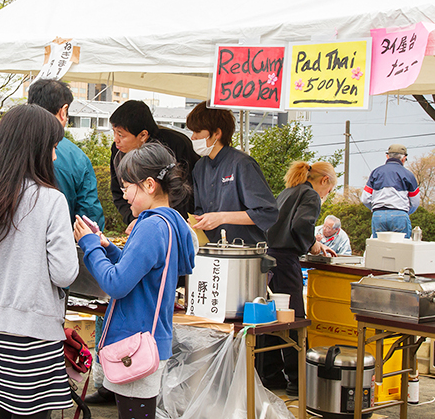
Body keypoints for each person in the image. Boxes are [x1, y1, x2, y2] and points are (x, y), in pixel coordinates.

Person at [0, 104, 79, 419]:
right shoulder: (51, 200)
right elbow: (65, 274)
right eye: (51, 148)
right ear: (34, 149)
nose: (53, 157)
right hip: (35, 335)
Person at [74, 142, 196, 419]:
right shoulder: (171, 221)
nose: (125, 194)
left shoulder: (151, 226)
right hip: (152, 338)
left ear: (150, 185)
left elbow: (116, 283)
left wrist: (90, 246)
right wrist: (107, 247)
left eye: (128, 186)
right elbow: (141, 268)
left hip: (136, 342)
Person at [0, 79, 105, 230]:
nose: (54, 156)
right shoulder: (77, 158)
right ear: (63, 111)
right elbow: (90, 221)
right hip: (53, 247)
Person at [259, 161, 337, 397]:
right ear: (324, 180)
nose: (327, 195)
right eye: (330, 190)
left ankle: (270, 374)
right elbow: (302, 225)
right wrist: (313, 245)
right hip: (285, 261)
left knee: (269, 321)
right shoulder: (310, 195)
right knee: (293, 321)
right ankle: (298, 380)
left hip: (266, 259)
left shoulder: (287, 192)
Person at [186, 102, 278, 244]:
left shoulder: (242, 164)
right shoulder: (199, 167)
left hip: (244, 253)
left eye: (197, 131)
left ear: (217, 133)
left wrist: (221, 218)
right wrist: (196, 221)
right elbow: (200, 210)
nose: (193, 137)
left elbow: (268, 213)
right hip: (211, 250)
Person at [109, 100, 199, 234]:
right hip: (140, 222)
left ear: (143, 135)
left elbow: (188, 191)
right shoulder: (118, 151)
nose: (116, 139)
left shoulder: (176, 145)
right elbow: (118, 192)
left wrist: (172, 222)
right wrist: (133, 218)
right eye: (114, 132)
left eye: (121, 134)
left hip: (175, 224)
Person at [361, 144, 420, 238]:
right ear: (404, 158)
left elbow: (365, 198)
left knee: (379, 248)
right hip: (400, 214)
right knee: (401, 249)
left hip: (378, 214)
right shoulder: (408, 175)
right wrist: (405, 212)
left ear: (387, 156)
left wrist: (375, 208)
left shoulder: (376, 172)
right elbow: (415, 202)